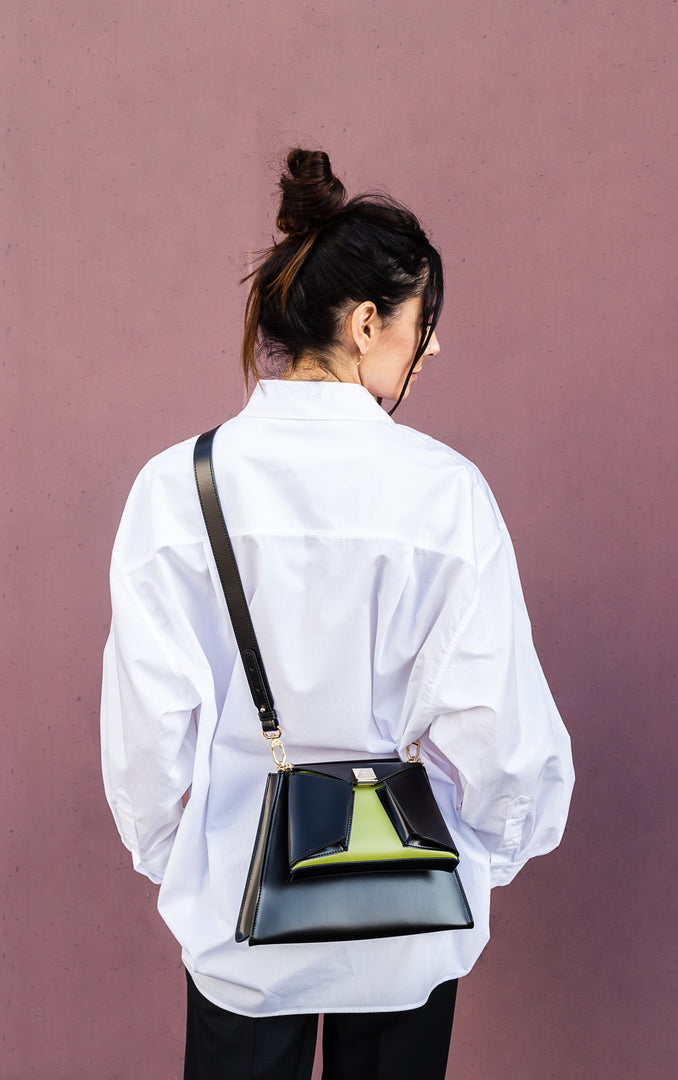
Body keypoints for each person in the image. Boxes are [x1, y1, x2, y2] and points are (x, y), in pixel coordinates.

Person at [101, 149, 574, 1080]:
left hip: (238, 917)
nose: (432, 348)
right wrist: (488, 855)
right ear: (365, 324)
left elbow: (145, 736)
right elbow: (501, 734)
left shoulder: (176, 489)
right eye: (421, 324)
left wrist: (188, 859)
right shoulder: (445, 495)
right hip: (408, 913)